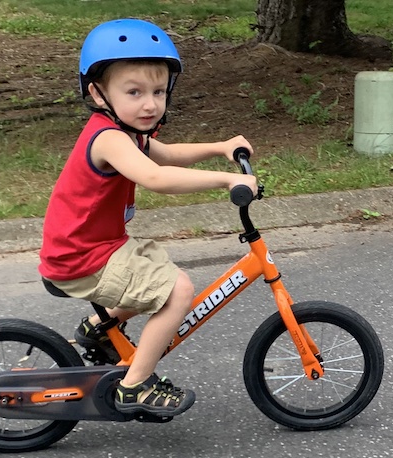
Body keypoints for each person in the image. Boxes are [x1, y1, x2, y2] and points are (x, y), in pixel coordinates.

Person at [39, 18, 257, 418]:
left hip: (98, 246)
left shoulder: (129, 133)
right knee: (177, 290)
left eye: (158, 92)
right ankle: (134, 386)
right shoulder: (108, 138)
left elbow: (168, 154)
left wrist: (221, 146)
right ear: (98, 93)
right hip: (81, 258)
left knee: (156, 268)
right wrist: (226, 180)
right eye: (134, 92)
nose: (149, 104)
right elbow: (157, 178)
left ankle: (97, 329)